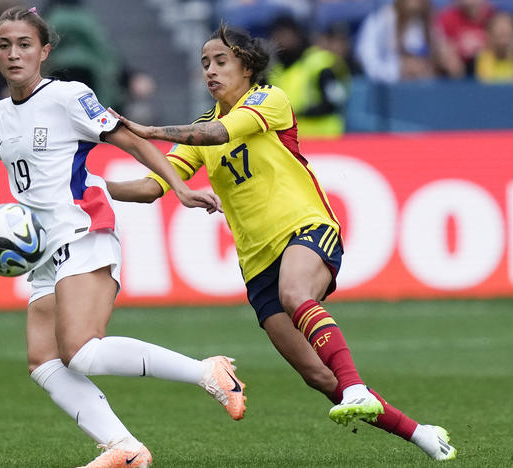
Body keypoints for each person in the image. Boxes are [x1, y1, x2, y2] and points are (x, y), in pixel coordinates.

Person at [0, 7, 245, 468]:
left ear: (44, 51)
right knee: (44, 362)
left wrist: (178, 186)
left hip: (83, 230)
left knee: (81, 352)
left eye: (24, 44)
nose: (14, 54)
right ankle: (124, 448)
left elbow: (129, 139)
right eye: (4, 45)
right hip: (42, 251)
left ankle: (209, 371)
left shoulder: (67, 97)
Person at [106, 24, 457, 462]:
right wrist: (92, 187)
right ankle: (421, 434)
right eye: (204, 64)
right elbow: (154, 185)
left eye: (221, 61)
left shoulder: (268, 100)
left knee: (296, 294)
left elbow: (219, 136)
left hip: (305, 229)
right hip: (256, 265)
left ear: (247, 67)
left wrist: (147, 131)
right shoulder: (202, 126)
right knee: (315, 375)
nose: (210, 71)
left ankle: (356, 388)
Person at [266, 16, 351, 138]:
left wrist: (299, 114)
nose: (284, 40)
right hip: (293, 140)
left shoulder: (319, 62)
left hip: (325, 137)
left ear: (297, 35)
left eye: (287, 34)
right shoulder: (273, 68)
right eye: (279, 35)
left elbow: (332, 103)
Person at [354, 0, 462, 83]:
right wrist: (399, 70)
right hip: (390, 93)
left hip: (425, 91)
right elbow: (366, 60)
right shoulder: (381, 20)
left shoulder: (430, 23)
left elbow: (439, 57)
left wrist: (441, 63)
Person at [436, 0, 496, 76]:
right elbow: (443, 47)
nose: (470, 2)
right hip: (460, 71)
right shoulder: (446, 18)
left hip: (489, 68)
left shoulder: (494, 16)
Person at [474, 10, 513, 82]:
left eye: (507, 35)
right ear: (490, 35)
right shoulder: (483, 57)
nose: (503, 41)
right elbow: (486, 80)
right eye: (499, 35)